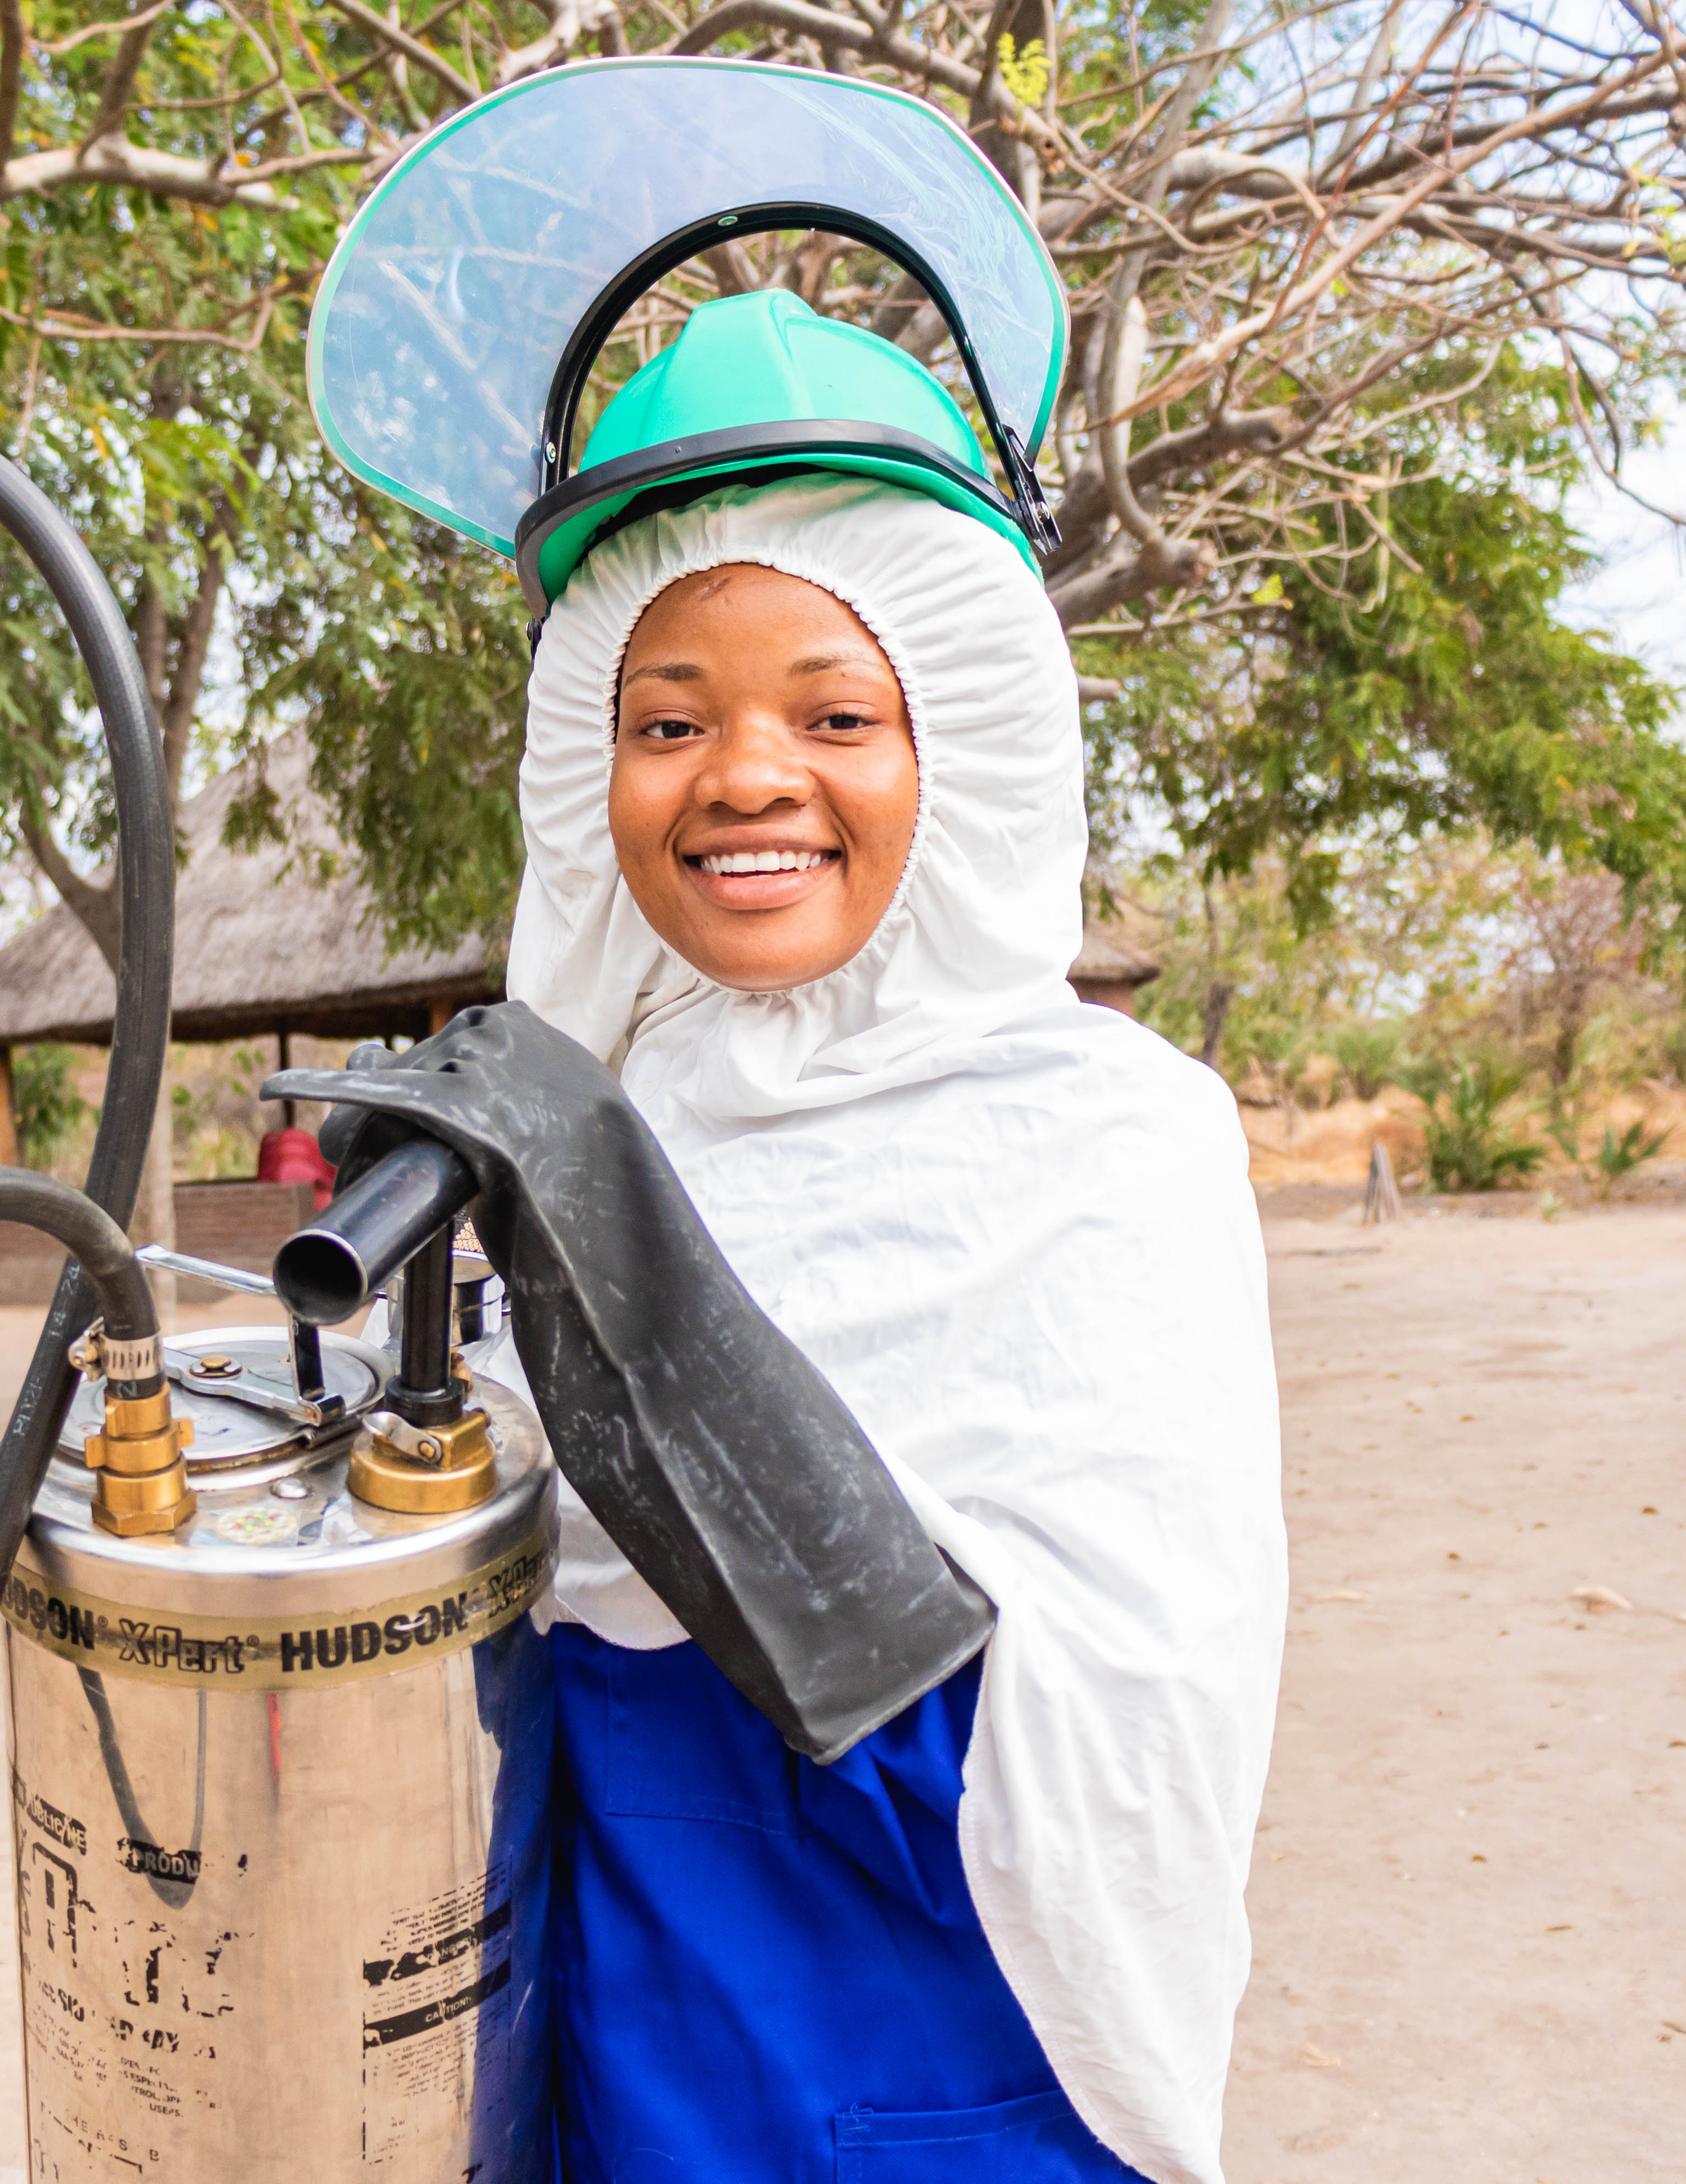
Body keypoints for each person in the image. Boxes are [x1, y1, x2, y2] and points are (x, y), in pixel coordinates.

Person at [494, 453, 1287, 2182]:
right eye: (669, 725)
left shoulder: (1109, 1134)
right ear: (592, 775)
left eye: (837, 715)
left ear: (963, 752)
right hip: (613, 2045)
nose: (748, 777)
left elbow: (1136, 1703)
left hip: (946, 2050)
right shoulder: (587, 1123)